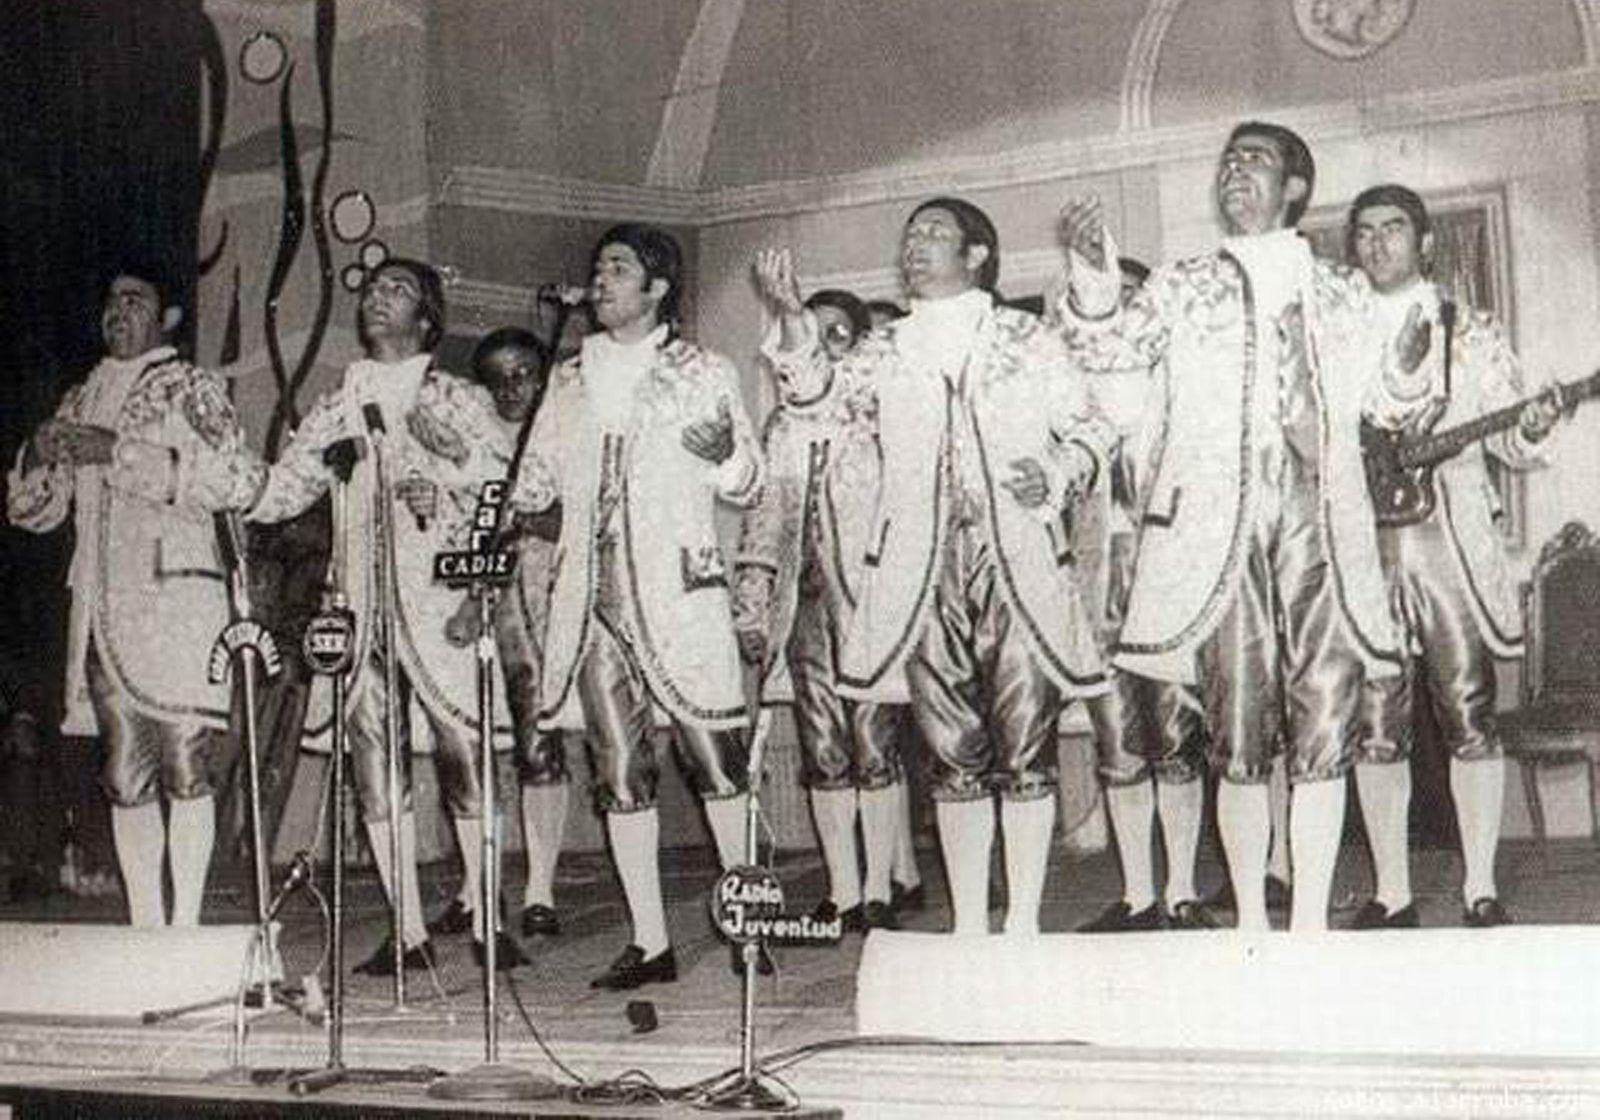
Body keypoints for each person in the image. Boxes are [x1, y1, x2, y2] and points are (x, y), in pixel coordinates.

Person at [1056, 122, 1412, 932]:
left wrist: (1408, 360)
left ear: (1293, 187)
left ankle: (1311, 924)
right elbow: (1110, 361)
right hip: (1219, 530)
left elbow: (1385, 405)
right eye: (1226, 162)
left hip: (1320, 521)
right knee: (1241, 730)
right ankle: (1253, 923)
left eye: (1253, 160)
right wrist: (1094, 280)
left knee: (1325, 722)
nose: (1233, 173)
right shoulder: (1182, 284)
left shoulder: (1342, 290)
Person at [754, 197, 1112, 937]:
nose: (916, 246)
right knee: (953, 750)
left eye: (935, 234)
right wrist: (793, 319)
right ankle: (972, 926)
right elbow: (815, 402)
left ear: (977, 254)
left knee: (1024, 744)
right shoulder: (883, 350)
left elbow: (1091, 425)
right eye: (911, 234)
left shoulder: (1025, 337)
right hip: (920, 570)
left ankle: (1023, 925)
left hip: (1015, 561)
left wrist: (1057, 470)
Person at [228, 259, 522, 973]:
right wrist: (211, 471)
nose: (377, 299)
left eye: (398, 290)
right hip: (359, 612)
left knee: (465, 757)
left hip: (441, 604)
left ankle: (487, 917)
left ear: (427, 318)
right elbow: (280, 492)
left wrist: (449, 506)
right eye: (372, 289)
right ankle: (410, 931)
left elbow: (508, 491)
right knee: (374, 768)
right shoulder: (337, 404)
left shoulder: (456, 398)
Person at [509, 223, 763, 990]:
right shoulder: (569, 377)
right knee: (619, 771)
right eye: (599, 268)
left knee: (717, 759)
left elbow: (748, 482)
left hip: (678, 592)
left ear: (657, 289)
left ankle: (750, 923)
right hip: (591, 600)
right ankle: (651, 942)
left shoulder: (703, 370)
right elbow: (536, 484)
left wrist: (726, 456)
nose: (603, 279)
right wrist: (511, 493)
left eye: (619, 268)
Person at [1347, 183, 1563, 929]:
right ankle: (1392, 893)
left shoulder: (1468, 331)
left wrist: (1530, 425)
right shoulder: (1337, 333)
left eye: (1394, 229)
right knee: (1375, 723)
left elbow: (1512, 440)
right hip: (1362, 549)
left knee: (1470, 710)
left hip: (1449, 546)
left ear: (1426, 242)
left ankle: (1479, 886)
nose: (1378, 243)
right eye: (1365, 232)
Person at [7, 262, 249, 926]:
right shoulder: (81, 396)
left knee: (183, 760)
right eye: (110, 301)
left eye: (135, 300)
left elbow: (236, 478)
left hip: (177, 603)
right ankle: (146, 925)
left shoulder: (191, 387)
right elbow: (36, 512)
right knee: (122, 773)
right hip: (103, 612)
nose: (118, 311)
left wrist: (121, 453)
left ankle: (187, 923)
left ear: (166, 316)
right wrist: (34, 455)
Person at [734, 287, 917, 932]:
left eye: (839, 334)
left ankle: (880, 888)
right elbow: (765, 515)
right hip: (805, 603)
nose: (826, 344)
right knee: (823, 746)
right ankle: (841, 890)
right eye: (816, 332)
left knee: (874, 741)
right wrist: (753, 603)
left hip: (868, 596)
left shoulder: (873, 410)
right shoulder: (782, 424)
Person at [1054, 257, 1217, 932]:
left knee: (1176, 730)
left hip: (1169, 569)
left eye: (1125, 300)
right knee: (1116, 738)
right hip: (1098, 577)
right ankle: (1139, 894)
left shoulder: (1179, 388)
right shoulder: (1066, 395)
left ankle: (1181, 890)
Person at [461, 327, 570, 940]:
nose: (511, 388)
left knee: (537, 741)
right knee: (474, 744)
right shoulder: (471, 443)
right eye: (497, 377)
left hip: (543, 597)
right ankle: (473, 887)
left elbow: (577, 514)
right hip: (480, 604)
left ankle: (540, 888)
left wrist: (523, 518)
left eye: (524, 373)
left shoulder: (563, 429)